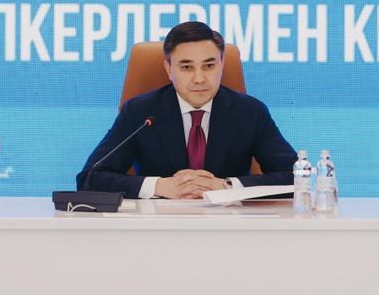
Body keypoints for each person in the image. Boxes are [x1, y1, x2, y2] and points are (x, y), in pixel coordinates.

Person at [77, 21, 296, 198]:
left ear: (222, 64)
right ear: (168, 69)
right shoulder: (140, 113)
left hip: (228, 227)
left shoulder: (250, 112)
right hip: (158, 227)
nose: (199, 78)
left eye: (209, 66)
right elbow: (89, 178)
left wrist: (228, 186)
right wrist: (159, 186)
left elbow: (296, 177)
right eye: (186, 67)